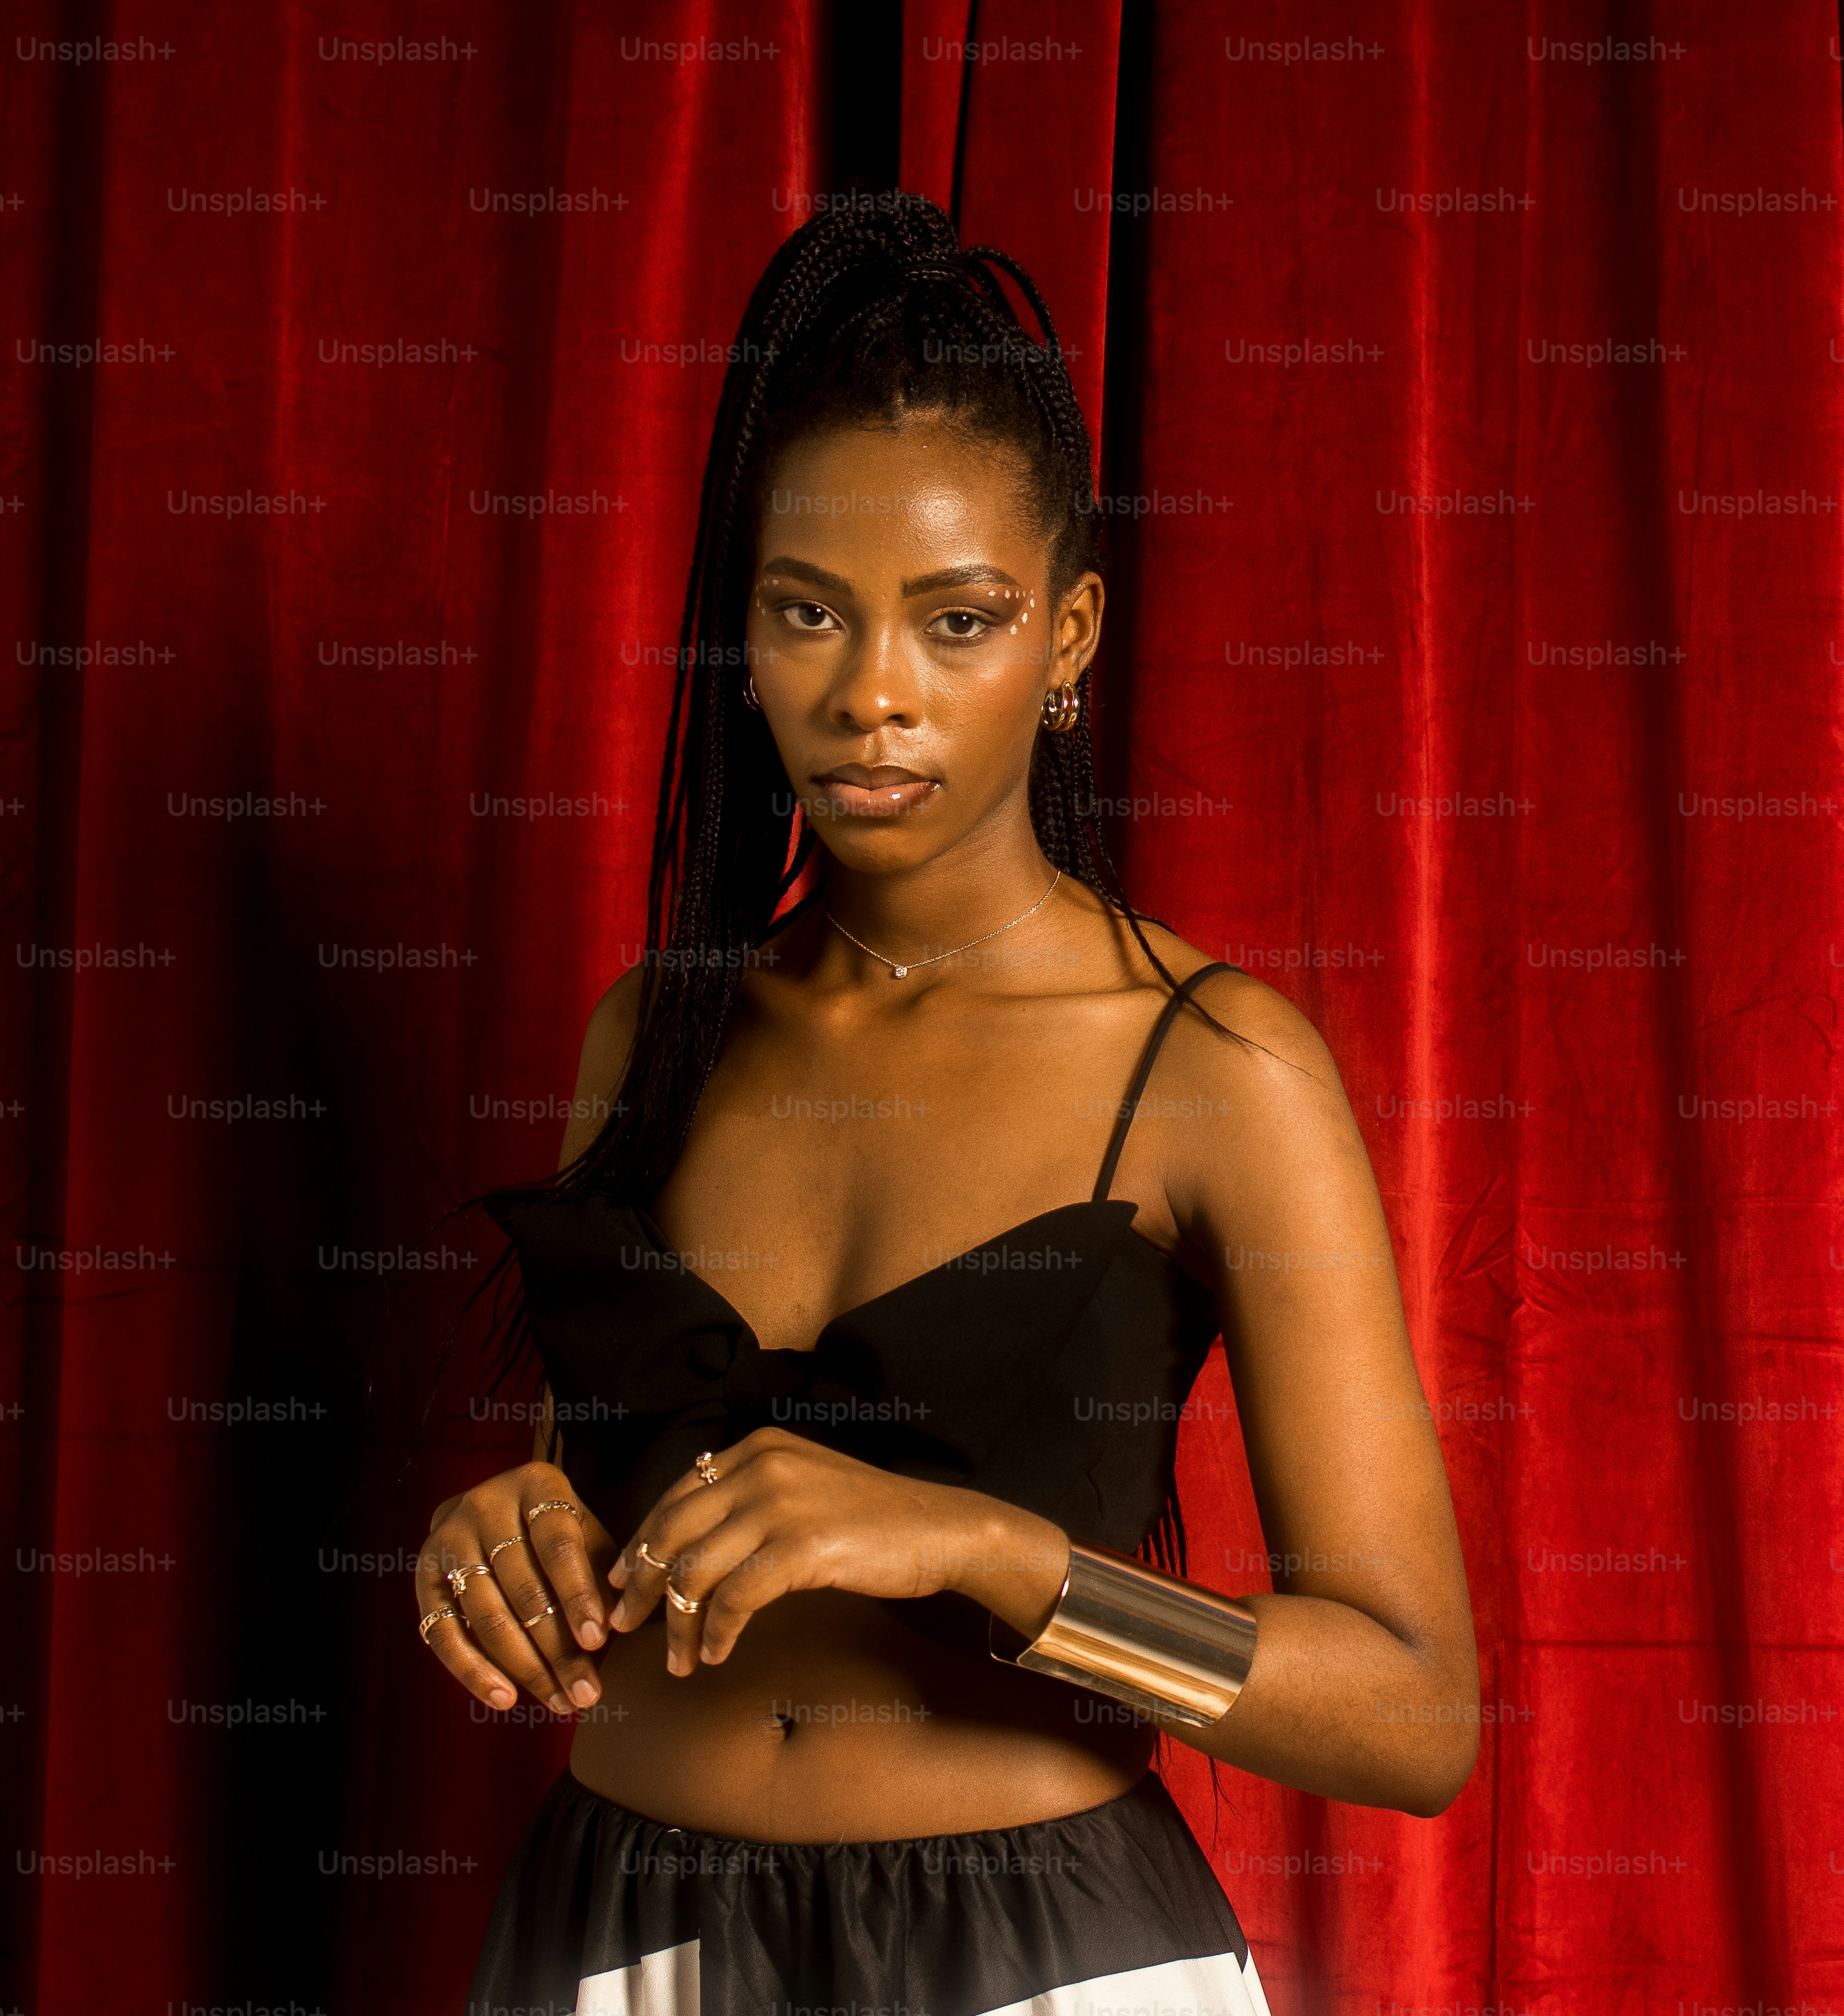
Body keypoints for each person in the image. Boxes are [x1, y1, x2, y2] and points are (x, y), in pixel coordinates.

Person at [420, 193, 1477, 2015]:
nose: (873, 695)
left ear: (1067, 636)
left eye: (958, 619)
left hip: (1040, 1957)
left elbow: (1408, 1710)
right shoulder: (650, 1036)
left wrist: (988, 1553)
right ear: (741, 640)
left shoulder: (1212, 1071)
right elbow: (603, 1504)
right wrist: (505, 1541)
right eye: (806, 613)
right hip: (617, 1938)